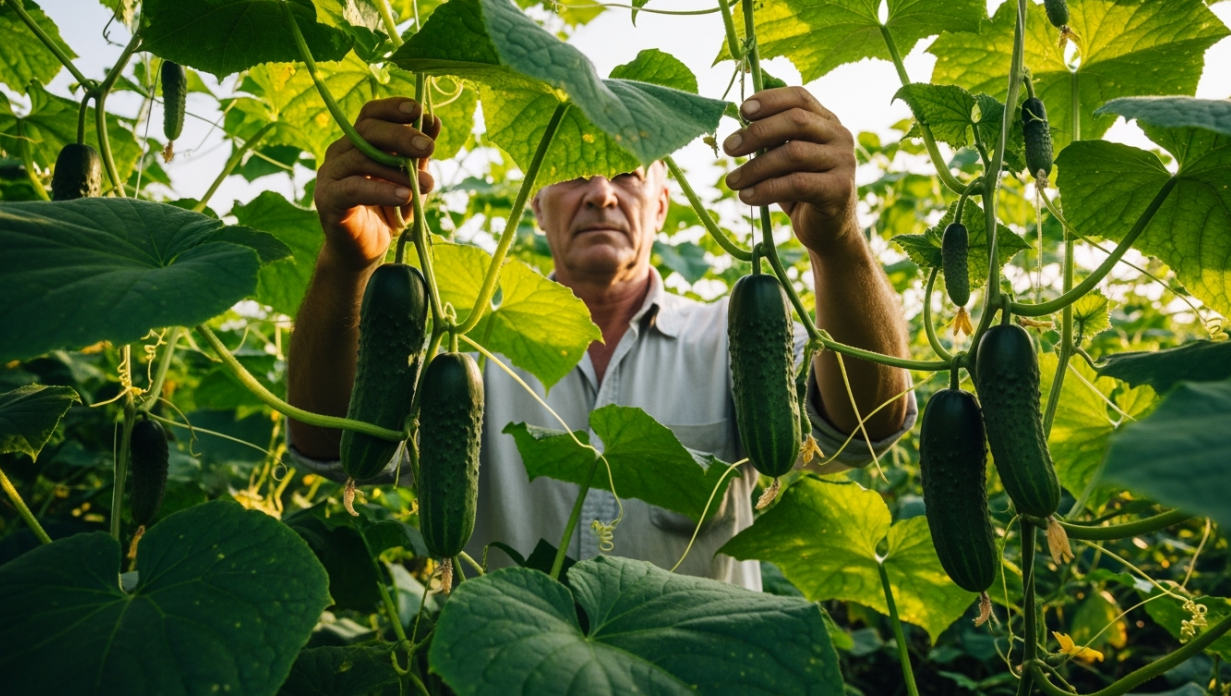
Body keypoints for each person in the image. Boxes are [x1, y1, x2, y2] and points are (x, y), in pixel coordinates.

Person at [287, 87, 916, 590]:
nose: (600, 194)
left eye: (627, 174)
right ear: (536, 206)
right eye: (571, 175)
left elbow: (866, 429)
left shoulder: (728, 334)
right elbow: (332, 447)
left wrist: (839, 242)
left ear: (663, 203)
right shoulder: (466, 348)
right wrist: (345, 267)